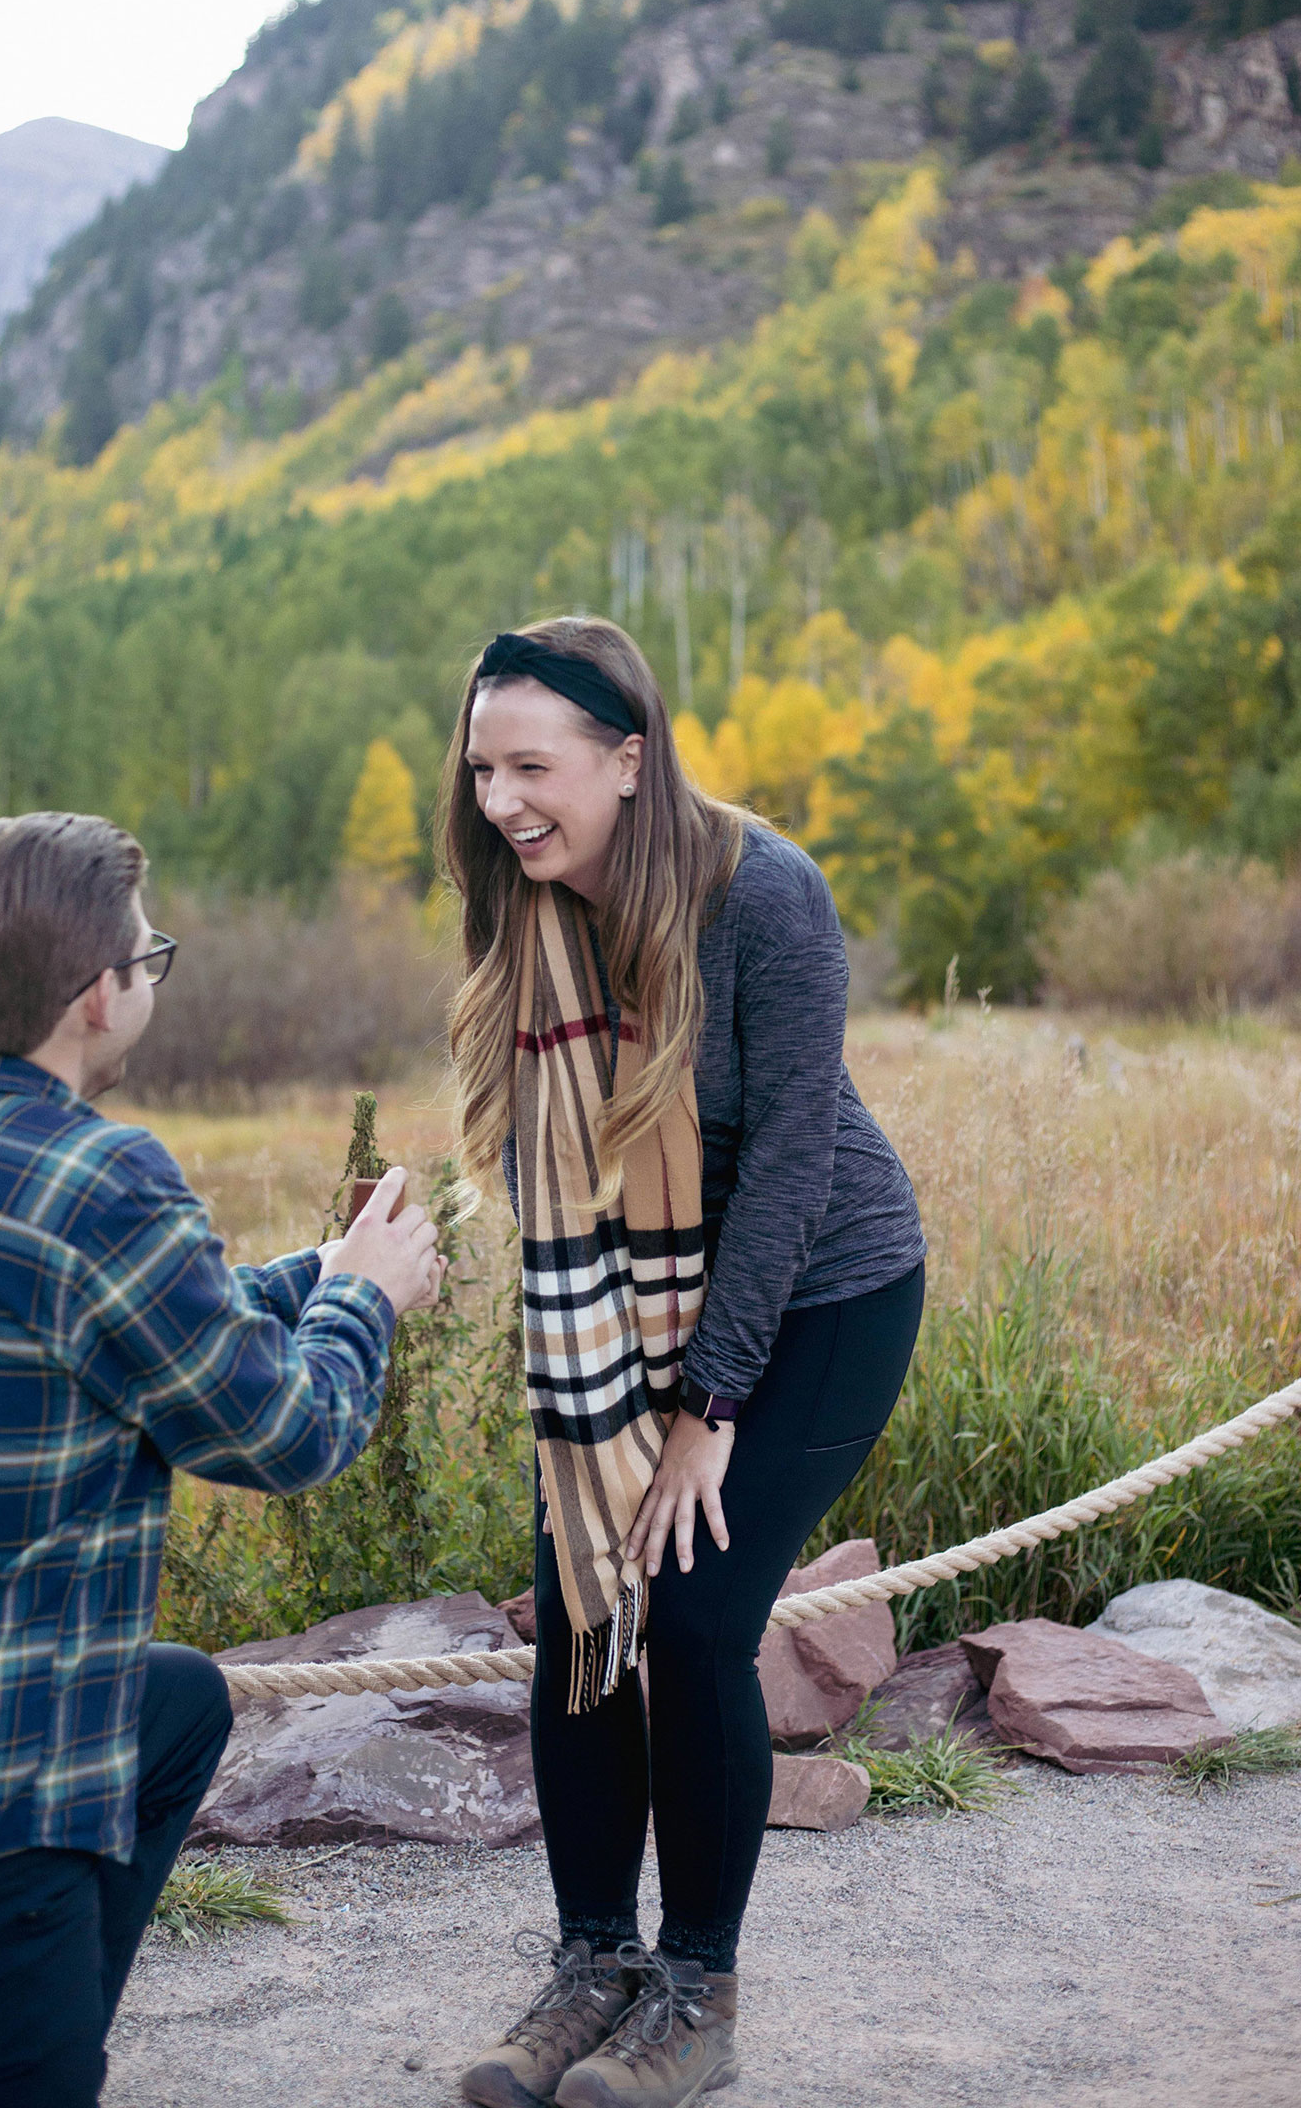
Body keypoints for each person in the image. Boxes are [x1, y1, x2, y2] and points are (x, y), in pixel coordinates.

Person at [0, 811, 441, 2108]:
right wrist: (368, 1301)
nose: (149, 978)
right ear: (100, 997)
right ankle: (14, 2034)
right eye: (149, 959)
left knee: (182, 1709)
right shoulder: (97, 1180)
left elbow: (136, 1327)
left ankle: (26, 2039)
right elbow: (289, 1436)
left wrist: (312, 1275)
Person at [443, 621, 926, 2108]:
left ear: (630, 757)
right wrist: (609, 1397)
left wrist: (709, 1406)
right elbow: (542, 1160)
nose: (505, 800)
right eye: (482, 769)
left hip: (820, 1298)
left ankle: (697, 1991)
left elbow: (788, 1163)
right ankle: (595, 1965)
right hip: (618, 1311)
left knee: (700, 1620)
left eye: (535, 766)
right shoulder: (522, 901)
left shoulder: (763, 894)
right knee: (587, 1603)